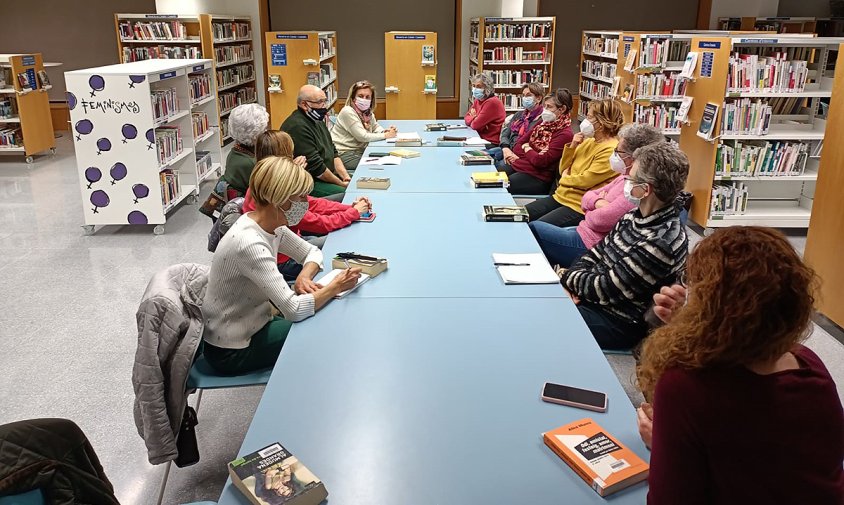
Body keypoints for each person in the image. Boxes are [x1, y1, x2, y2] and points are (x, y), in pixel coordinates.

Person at [635, 227, 844, 505]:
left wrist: (664, 442)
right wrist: (691, 324)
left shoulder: (685, 387)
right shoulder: (808, 363)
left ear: (708, 306)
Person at [202, 156, 361, 374]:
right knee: (326, 330)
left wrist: (305, 276)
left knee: (324, 320)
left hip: (255, 323)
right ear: (279, 199)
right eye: (300, 197)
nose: (304, 203)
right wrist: (335, 287)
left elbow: (311, 251)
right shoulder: (250, 244)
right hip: (233, 349)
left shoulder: (268, 224)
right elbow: (294, 310)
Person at [560, 142, 689, 350]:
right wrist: (571, 283)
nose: (626, 182)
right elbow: (594, 254)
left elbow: (604, 289)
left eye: (630, 179)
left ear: (645, 190)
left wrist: (567, 279)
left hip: (618, 322)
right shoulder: (632, 216)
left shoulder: (661, 243)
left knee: (542, 316)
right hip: (592, 299)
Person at [242, 130, 373, 280]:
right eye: (290, 155)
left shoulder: (264, 182)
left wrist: (350, 208)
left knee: (339, 236)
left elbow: (312, 204)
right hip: (283, 260)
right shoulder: (278, 195)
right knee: (340, 241)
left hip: (293, 243)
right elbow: (318, 222)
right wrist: (353, 213)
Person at [529, 124, 665, 267]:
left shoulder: (635, 189)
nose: (615, 154)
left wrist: (592, 206)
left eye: (619, 151)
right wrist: (599, 202)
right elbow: (587, 196)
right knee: (532, 226)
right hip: (582, 228)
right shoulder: (624, 176)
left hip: (590, 243)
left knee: (533, 228)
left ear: (634, 157)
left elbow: (600, 220)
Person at [525, 99, 625, 225]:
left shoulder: (610, 149)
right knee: (521, 214)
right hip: (561, 196)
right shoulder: (588, 141)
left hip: (578, 205)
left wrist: (565, 179)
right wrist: (572, 146)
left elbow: (584, 181)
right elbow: (563, 169)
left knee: (536, 227)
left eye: (589, 117)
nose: (585, 121)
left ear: (602, 122)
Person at [495, 88, 574, 195]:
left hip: (539, 177)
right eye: (545, 106)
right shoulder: (543, 122)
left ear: (562, 109)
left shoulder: (565, 134)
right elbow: (519, 145)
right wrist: (530, 152)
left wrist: (527, 147)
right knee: (492, 175)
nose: (545, 110)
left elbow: (540, 161)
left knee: (502, 185)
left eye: (549, 107)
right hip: (522, 166)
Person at [282, 84, 350, 197]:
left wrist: (345, 176)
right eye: (319, 102)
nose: (324, 106)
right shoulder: (297, 126)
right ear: (304, 104)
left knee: (359, 181)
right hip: (311, 182)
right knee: (348, 193)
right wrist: (342, 184)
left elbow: (333, 152)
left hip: (329, 174)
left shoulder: (317, 120)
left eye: (325, 101)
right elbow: (317, 168)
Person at [331, 80, 397, 170]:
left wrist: (384, 131)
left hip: (359, 151)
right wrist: (386, 135)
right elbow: (362, 137)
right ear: (353, 98)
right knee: (381, 165)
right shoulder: (348, 111)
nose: (364, 100)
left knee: (389, 158)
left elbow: (375, 126)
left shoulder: (367, 113)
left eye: (367, 97)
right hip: (344, 154)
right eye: (360, 96)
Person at [217, 103, 269, 199]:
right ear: (256, 133)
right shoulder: (251, 164)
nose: (266, 131)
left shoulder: (235, 152)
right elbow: (272, 194)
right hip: (253, 207)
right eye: (264, 129)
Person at [486, 82, 545, 163]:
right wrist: (505, 148)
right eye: (523, 95)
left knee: (497, 167)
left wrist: (514, 153)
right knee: (483, 156)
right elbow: (505, 134)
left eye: (528, 95)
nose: (524, 98)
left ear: (539, 98)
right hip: (507, 148)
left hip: (521, 155)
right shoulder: (519, 115)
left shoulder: (541, 120)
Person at [464, 73, 506, 144]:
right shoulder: (478, 99)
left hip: (490, 142)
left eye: (479, 87)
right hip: (479, 137)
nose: (475, 89)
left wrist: (474, 117)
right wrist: (475, 118)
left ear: (487, 88)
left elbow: (475, 125)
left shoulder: (492, 102)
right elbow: (466, 118)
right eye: (474, 86)